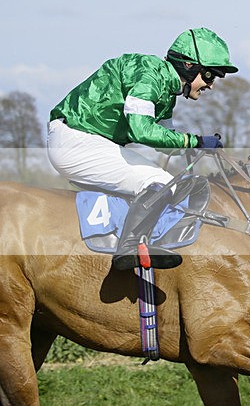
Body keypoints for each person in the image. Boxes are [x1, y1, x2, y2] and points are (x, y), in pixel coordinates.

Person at [47, 27, 238, 270]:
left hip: (88, 140)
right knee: (157, 182)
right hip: (76, 141)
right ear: (189, 65)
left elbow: (167, 140)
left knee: (171, 182)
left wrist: (196, 146)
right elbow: (141, 130)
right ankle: (129, 249)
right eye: (210, 75)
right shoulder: (149, 76)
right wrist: (195, 141)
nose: (211, 85)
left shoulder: (167, 89)